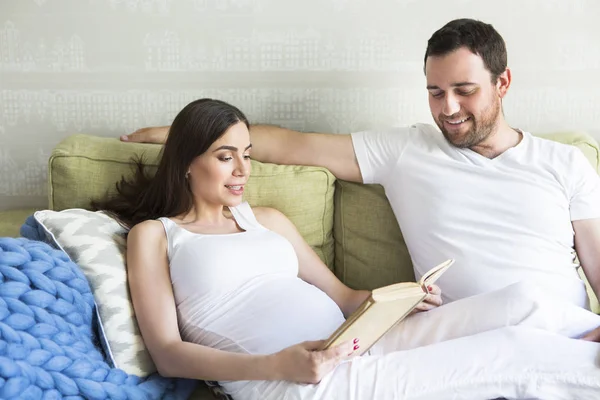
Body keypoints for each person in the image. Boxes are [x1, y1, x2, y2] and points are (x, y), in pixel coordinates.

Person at [100, 97, 600, 400]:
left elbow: (345, 297)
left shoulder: (267, 220)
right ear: (186, 162)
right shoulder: (158, 236)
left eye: (246, 155)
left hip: (356, 344)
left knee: (524, 300)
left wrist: (398, 299)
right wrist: (276, 365)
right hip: (300, 382)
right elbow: (168, 355)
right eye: (224, 156)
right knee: (515, 352)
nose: (243, 171)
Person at [123, 19, 600, 333]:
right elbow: (292, 144)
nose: (448, 109)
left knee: (535, 309)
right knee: (521, 307)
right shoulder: (403, 149)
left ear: (504, 83)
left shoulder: (567, 162)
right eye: (435, 92)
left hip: (571, 332)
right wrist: (179, 135)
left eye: (464, 91)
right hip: (463, 332)